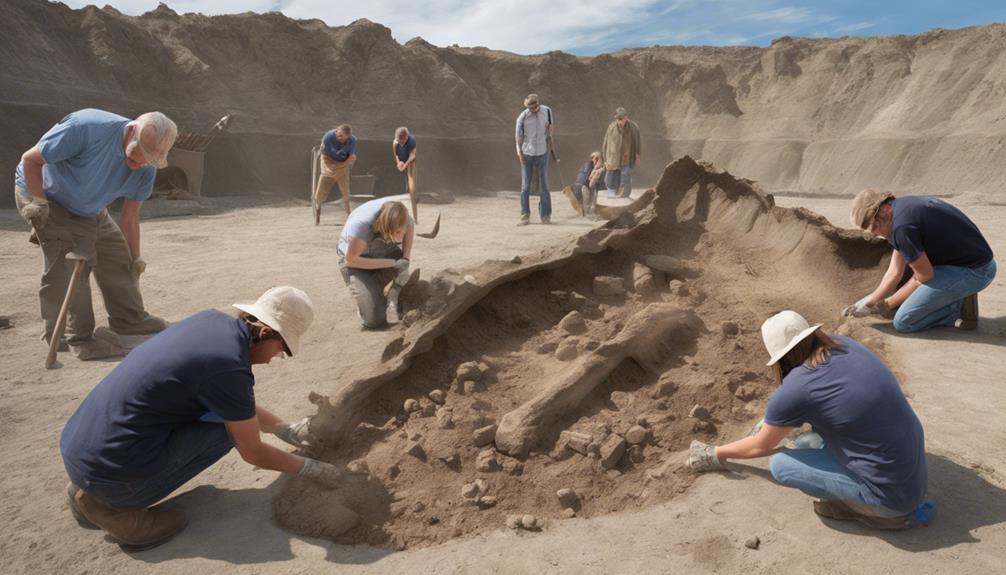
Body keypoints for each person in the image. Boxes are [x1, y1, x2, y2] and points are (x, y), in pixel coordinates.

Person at [60, 286, 353, 550]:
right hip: (112, 470)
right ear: (265, 333)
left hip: (81, 447)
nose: (279, 357)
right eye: (283, 349)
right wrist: (311, 469)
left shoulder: (211, 324)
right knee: (227, 433)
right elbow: (253, 451)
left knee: (221, 417)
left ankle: (86, 487)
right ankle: (112, 508)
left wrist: (283, 428)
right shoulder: (229, 369)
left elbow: (231, 403)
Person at [687, 310, 932, 530]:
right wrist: (776, 415)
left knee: (782, 464)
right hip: (910, 472)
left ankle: (874, 513)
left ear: (779, 355)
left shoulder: (798, 388)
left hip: (892, 499)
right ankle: (876, 499)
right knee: (806, 441)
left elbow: (760, 445)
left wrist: (716, 452)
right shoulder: (844, 344)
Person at [15, 108, 177, 360]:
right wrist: (39, 203)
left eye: (148, 159)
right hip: (45, 194)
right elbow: (30, 160)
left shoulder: (146, 167)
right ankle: (72, 337)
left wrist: (135, 259)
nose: (140, 164)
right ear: (131, 130)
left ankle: (129, 319)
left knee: (116, 253)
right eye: (138, 155)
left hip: (88, 206)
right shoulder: (86, 128)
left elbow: (130, 218)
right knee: (74, 261)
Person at [843, 189, 996, 332]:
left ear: (883, 211)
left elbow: (924, 276)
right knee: (905, 286)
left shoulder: (902, 228)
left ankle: (958, 305)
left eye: (874, 227)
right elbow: (894, 272)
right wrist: (870, 301)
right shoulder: (900, 211)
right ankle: (957, 293)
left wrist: (886, 305)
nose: (876, 233)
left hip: (976, 271)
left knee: (904, 322)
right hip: (963, 262)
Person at [338, 198, 414, 328]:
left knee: (399, 258)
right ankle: (367, 293)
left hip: (381, 249)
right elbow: (350, 260)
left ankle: (382, 292)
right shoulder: (361, 225)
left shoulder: (403, 217)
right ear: (386, 226)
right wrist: (391, 263)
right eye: (397, 232)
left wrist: (405, 259)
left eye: (403, 232)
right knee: (374, 320)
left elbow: (409, 226)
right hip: (356, 261)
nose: (401, 237)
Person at [515, 93, 554, 226]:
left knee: (544, 185)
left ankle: (545, 215)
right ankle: (525, 215)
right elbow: (518, 138)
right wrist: (519, 153)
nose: (533, 110)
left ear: (538, 103)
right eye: (531, 108)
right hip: (527, 153)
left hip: (542, 151)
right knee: (526, 185)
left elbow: (550, 131)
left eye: (535, 107)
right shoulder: (522, 117)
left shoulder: (547, 111)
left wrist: (550, 130)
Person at [313, 124, 357, 224]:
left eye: (343, 137)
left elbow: (352, 156)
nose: (340, 138)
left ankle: (349, 215)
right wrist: (340, 163)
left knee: (346, 193)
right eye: (339, 136)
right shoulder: (328, 138)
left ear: (348, 136)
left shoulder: (353, 140)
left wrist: (347, 162)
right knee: (319, 195)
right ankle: (318, 213)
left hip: (343, 166)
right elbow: (330, 156)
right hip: (328, 164)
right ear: (336, 131)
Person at [601, 107, 641, 199]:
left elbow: (638, 142)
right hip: (613, 158)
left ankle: (624, 195)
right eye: (618, 119)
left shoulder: (633, 128)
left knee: (625, 176)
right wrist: (605, 159)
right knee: (609, 178)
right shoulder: (611, 127)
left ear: (626, 118)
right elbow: (605, 143)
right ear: (616, 119)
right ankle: (612, 193)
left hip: (627, 157)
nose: (621, 121)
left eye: (622, 119)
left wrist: (637, 156)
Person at [392, 126, 419, 223]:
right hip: (402, 161)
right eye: (398, 140)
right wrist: (398, 163)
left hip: (411, 162)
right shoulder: (395, 142)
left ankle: (415, 218)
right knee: (407, 187)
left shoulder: (411, 141)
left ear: (406, 137)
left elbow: (412, 155)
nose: (400, 142)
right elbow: (396, 155)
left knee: (412, 187)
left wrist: (405, 164)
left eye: (402, 140)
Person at [570, 151, 604, 217]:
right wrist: (596, 169)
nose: (598, 160)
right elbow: (589, 181)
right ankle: (586, 214)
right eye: (597, 158)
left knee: (592, 192)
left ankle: (588, 213)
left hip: (583, 187)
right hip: (581, 187)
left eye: (599, 158)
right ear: (592, 158)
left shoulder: (592, 166)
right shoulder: (588, 165)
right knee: (590, 193)